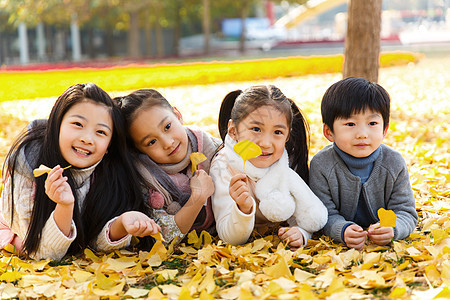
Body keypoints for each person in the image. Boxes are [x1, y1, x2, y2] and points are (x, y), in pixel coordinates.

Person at [0, 83, 160, 261]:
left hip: (64, 243)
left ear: (109, 145)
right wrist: (65, 207)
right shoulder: (28, 165)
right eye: (78, 124)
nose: (87, 139)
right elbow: (42, 252)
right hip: (15, 231)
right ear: (57, 124)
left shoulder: (109, 171)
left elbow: (93, 243)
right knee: (19, 245)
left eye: (100, 132)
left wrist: (121, 224)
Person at [210, 85, 328, 250]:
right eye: (256, 129)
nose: (265, 143)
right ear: (233, 130)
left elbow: (307, 214)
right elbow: (229, 237)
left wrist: (301, 233)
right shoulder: (224, 167)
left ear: (287, 135)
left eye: (278, 132)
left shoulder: (284, 163)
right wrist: (243, 209)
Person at [309, 77, 418, 250]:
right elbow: (323, 214)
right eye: (350, 124)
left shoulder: (393, 163)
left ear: (384, 130)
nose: (362, 134)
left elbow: (406, 211)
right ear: (329, 132)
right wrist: (341, 229)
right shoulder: (321, 165)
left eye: (372, 123)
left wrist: (393, 228)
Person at [116, 89, 220, 244]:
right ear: (138, 150)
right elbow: (163, 236)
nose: (168, 143)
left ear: (178, 115)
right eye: (151, 142)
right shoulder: (146, 178)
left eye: (167, 126)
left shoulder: (210, 146)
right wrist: (197, 198)